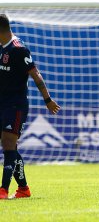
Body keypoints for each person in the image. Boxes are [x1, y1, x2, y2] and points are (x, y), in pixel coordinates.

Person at [0, 14, 60, 199]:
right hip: (2, 104)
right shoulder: (1, 48)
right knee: (10, 147)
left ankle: (3, 190)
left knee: (9, 144)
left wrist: (47, 100)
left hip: (16, 105)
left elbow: (36, 75)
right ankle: (24, 189)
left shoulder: (19, 49)